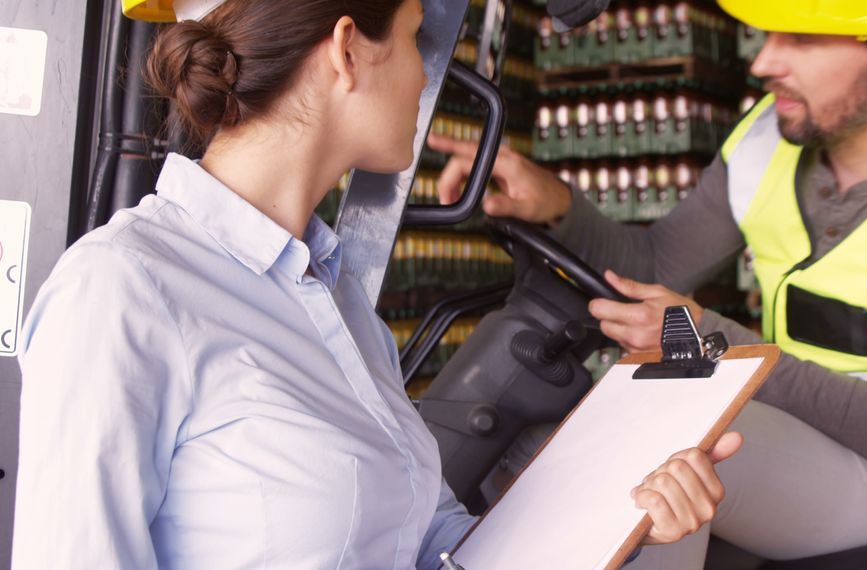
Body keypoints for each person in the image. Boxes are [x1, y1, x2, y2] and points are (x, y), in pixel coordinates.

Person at [12, 0, 743, 567]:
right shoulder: (122, 293)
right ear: (348, 50)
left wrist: (624, 511)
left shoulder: (336, 301)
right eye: (418, 36)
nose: (427, 73)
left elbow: (431, 543)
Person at [429, 0, 867, 560]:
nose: (764, 62)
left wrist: (708, 337)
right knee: (546, 448)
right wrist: (553, 201)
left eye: (799, 38)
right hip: (800, 432)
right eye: (770, 34)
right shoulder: (769, 139)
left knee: (653, 472)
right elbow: (656, 268)